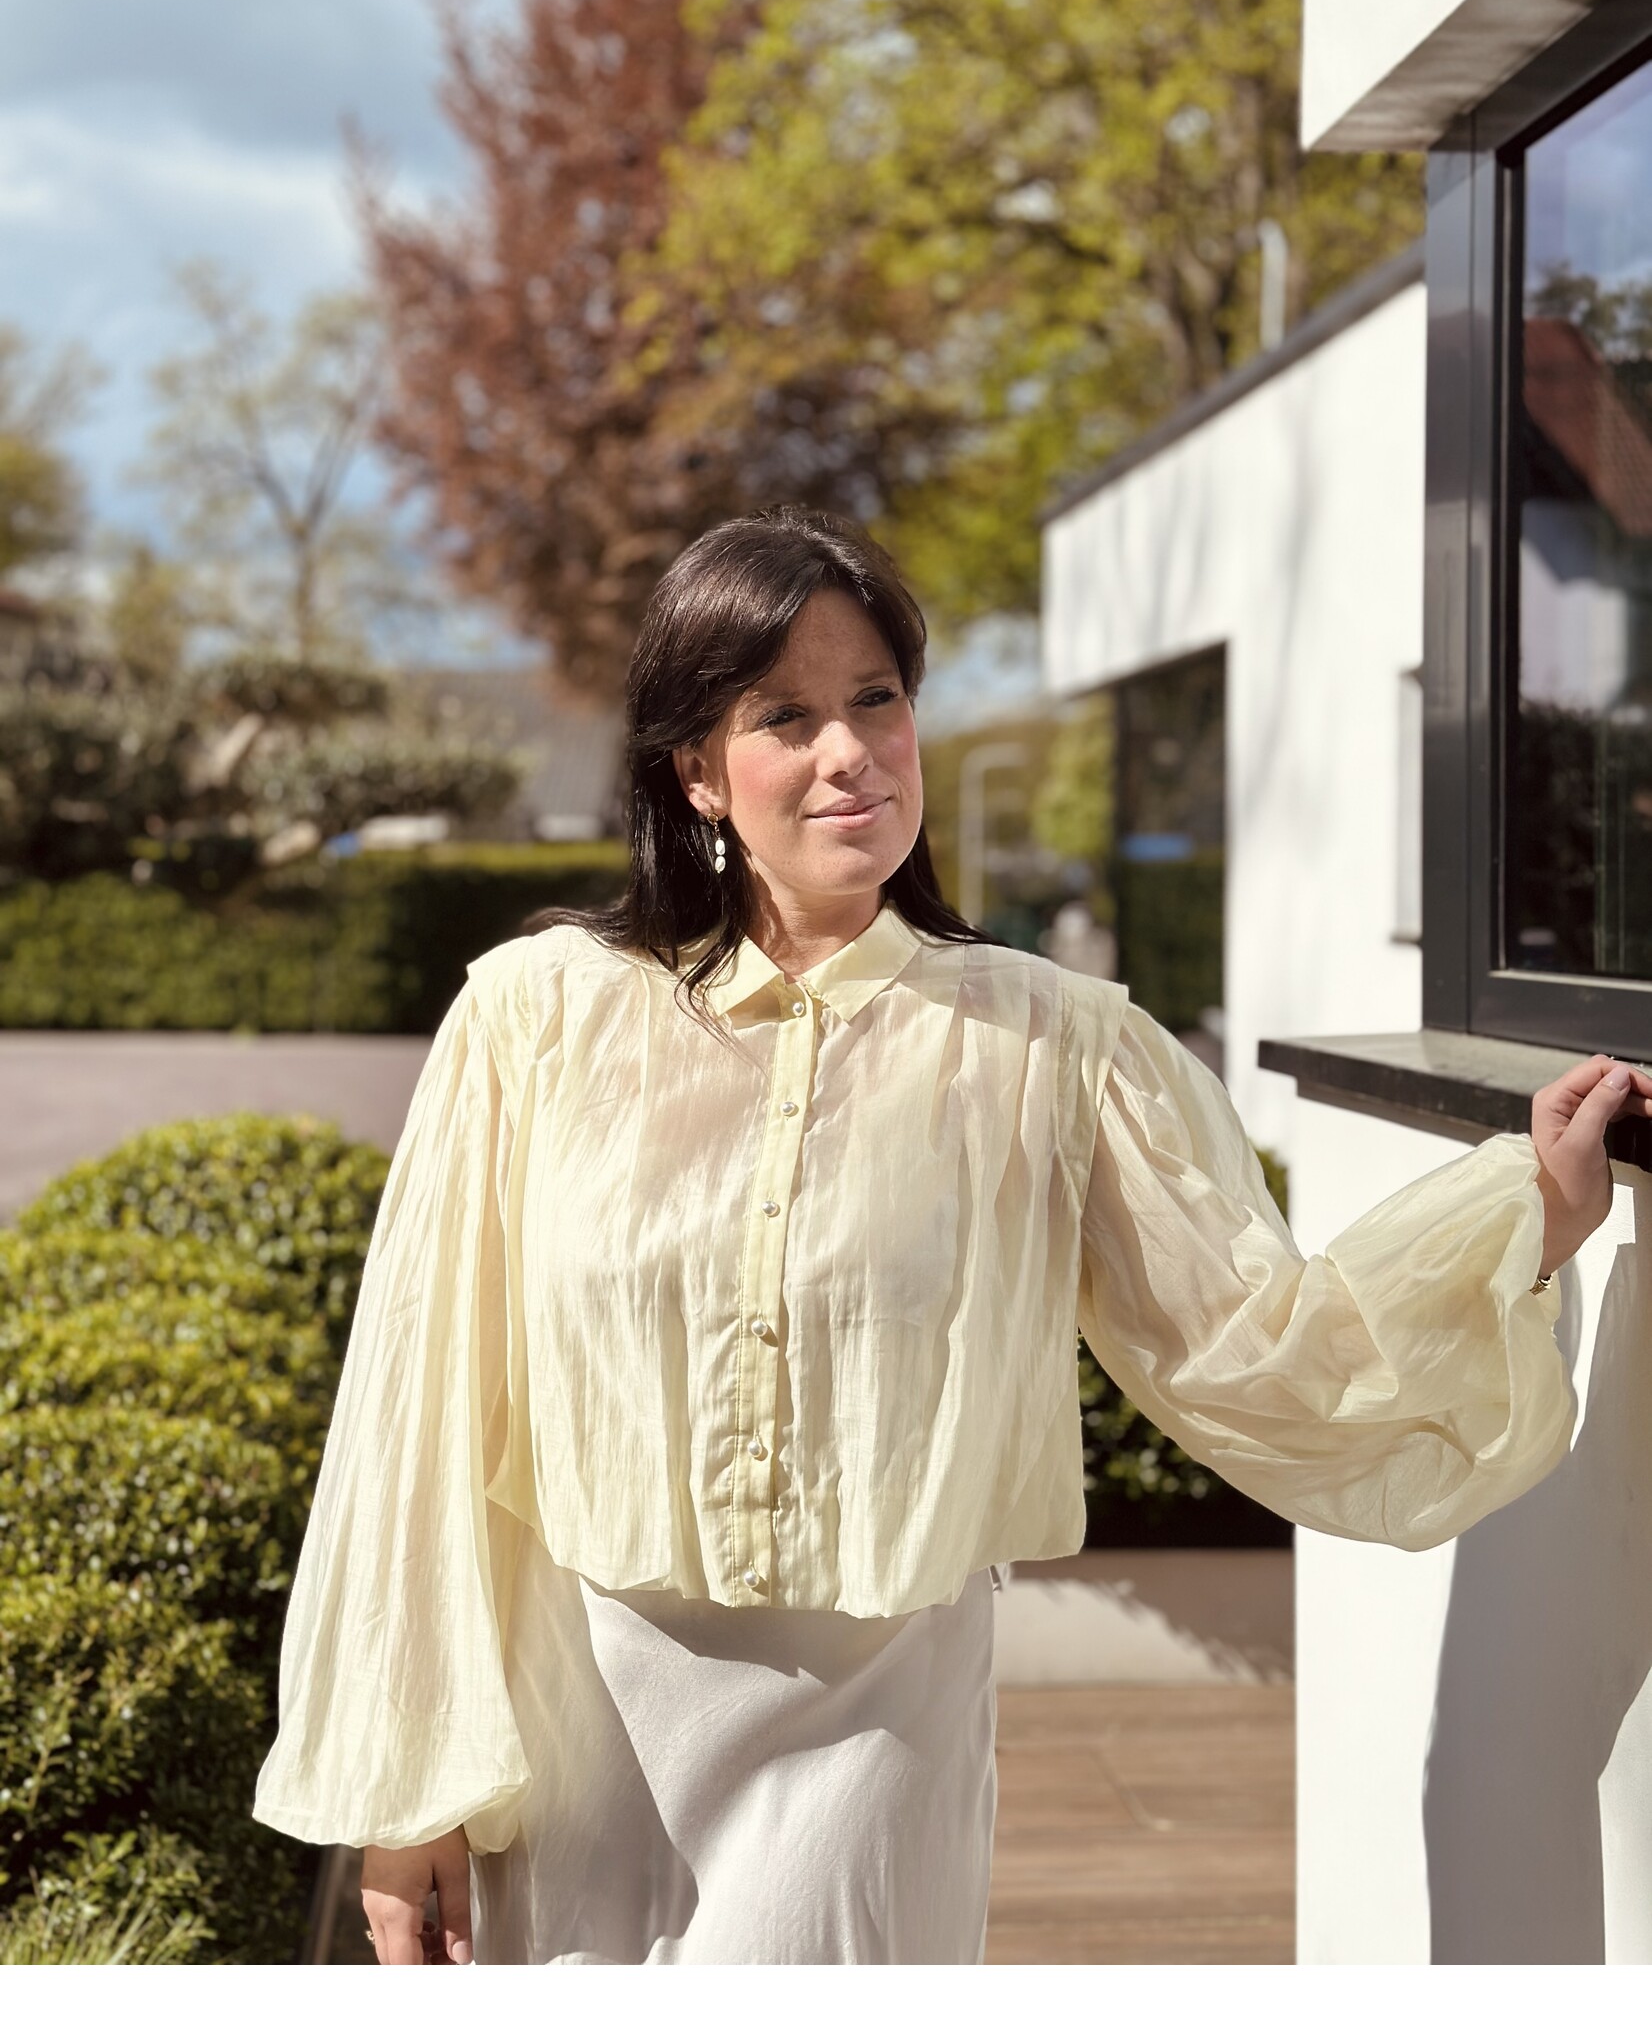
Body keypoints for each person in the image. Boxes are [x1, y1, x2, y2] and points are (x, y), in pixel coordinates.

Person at [252, 505, 1651, 1966]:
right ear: (696, 773)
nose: (849, 752)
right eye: (784, 716)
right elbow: (414, 1408)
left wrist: (1525, 1215)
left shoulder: (1054, 1044)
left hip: (871, 1735)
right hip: (579, 1724)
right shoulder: (534, 1019)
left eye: (878, 700)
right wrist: (402, 1790)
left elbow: (1260, 1341)